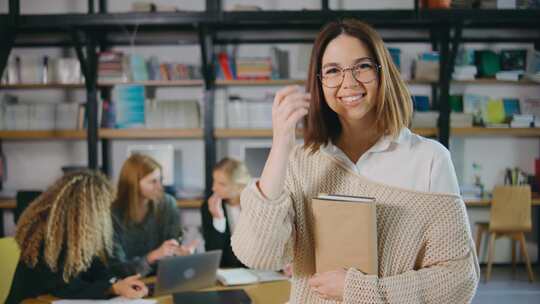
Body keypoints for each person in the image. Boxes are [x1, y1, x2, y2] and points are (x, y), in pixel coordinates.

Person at [231, 19, 479, 303]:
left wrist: (359, 290)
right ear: (319, 83)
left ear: (382, 72)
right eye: (333, 71)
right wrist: (280, 148)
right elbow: (258, 255)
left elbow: (459, 280)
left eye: (362, 67)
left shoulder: (430, 159)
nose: (348, 83)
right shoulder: (299, 162)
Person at [6, 170, 148, 304]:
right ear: (85, 210)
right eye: (101, 208)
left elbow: (95, 270)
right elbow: (63, 287)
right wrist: (113, 289)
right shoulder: (46, 236)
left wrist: (116, 282)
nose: (104, 215)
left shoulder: (77, 235)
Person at [110, 154, 195, 277]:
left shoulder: (167, 203)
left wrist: (182, 253)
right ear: (133, 184)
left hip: (163, 279)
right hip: (127, 284)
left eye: (160, 180)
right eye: (153, 181)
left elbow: (173, 247)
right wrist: (152, 257)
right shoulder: (113, 213)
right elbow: (116, 268)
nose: (160, 187)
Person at [201, 157, 251, 267]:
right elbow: (212, 254)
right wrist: (218, 218)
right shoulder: (209, 207)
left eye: (222, 184)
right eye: (214, 181)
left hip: (259, 272)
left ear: (240, 186)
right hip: (227, 274)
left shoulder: (257, 206)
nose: (214, 188)